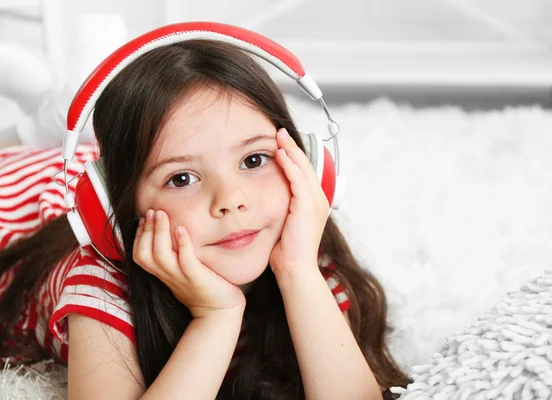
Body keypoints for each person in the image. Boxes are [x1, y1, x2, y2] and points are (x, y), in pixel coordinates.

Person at [0, 23, 410, 399]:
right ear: (116, 207)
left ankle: (60, 112)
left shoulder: (301, 254)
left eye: (254, 160)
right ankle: (37, 127)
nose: (231, 200)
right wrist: (217, 316)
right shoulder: (102, 282)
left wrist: (299, 275)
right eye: (181, 179)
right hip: (23, 197)